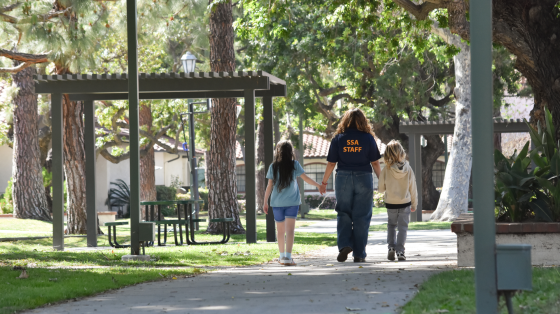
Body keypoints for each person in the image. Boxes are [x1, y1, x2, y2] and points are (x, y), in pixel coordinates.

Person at [319, 108, 382, 263]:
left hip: (343, 178)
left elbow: (331, 163)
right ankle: (359, 254)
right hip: (364, 178)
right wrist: (382, 180)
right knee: (362, 216)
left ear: (345, 121)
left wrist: (324, 182)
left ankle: (345, 245)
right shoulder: (368, 138)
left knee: (343, 212)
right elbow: (375, 162)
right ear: (363, 121)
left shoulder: (338, 138)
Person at [263, 140, 323, 266]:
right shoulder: (294, 164)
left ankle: (281, 257)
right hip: (292, 202)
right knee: (290, 230)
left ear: (278, 151)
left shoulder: (273, 166)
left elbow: (269, 185)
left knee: (280, 231)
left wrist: (265, 202)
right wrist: (318, 185)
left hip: (277, 203)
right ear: (291, 152)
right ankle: (288, 258)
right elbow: (305, 178)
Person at [378, 140, 417, 261]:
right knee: (402, 228)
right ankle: (400, 251)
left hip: (391, 203)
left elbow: (380, 189)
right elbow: (413, 188)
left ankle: (391, 248)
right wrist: (414, 204)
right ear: (402, 153)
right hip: (405, 202)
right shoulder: (408, 169)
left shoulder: (386, 169)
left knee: (391, 225)